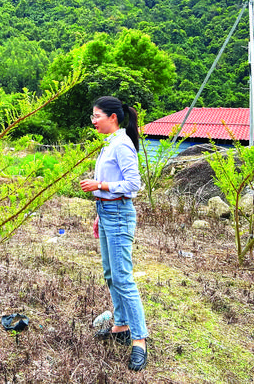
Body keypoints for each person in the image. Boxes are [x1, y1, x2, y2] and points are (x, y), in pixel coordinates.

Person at [80, 96, 148, 371]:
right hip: (107, 212)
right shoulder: (108, 143)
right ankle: (121, 325)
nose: (93, 121)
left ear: (113, 118)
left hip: (120, 213)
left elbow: (134, 184)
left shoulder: (122, 144)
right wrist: (99, 211)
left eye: (97, 116)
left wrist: (100, 184)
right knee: (110, 273)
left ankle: (140, 340)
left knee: (123, 277)